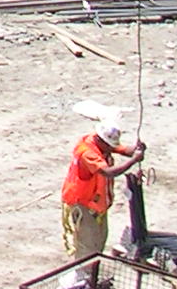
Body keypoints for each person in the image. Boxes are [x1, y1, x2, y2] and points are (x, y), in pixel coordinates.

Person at [63, 120, 144, 283]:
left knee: (99, 241)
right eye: (109, 146)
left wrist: (137, 150)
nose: (111, 148)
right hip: (84, 205)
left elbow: (122, 149)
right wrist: (133, 161)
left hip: (97, 206)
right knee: (87, 244)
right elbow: (108, 171)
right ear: (100, 140)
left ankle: (91, 274)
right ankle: (82, 278)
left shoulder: (101, 143)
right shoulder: (87, 152)